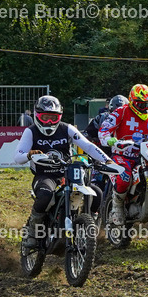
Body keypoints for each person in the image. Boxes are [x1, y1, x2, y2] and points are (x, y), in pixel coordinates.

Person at [13, 95, 117, 248]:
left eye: (53, 118)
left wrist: (106, 160)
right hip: (44, 175)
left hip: (66, 173)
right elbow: (17, 157)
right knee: (45, 195)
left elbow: (87, 146)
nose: (49, 122)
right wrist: (29, 155)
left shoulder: (66, 128)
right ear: (37, 116)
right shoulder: (31, 132)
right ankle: (32, 231)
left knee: (97, 193)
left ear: (59, 117)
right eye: (46, 117)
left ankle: (91, 228)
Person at [99, 84, 148, 224]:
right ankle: (117, 207)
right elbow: (104, 130)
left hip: (147, 154)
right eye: (140, 104)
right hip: (123, 154)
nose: (144, 108)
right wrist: (110, 140)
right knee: (124, 178)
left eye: (147, 104)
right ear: (132, 101)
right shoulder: (121, 111)